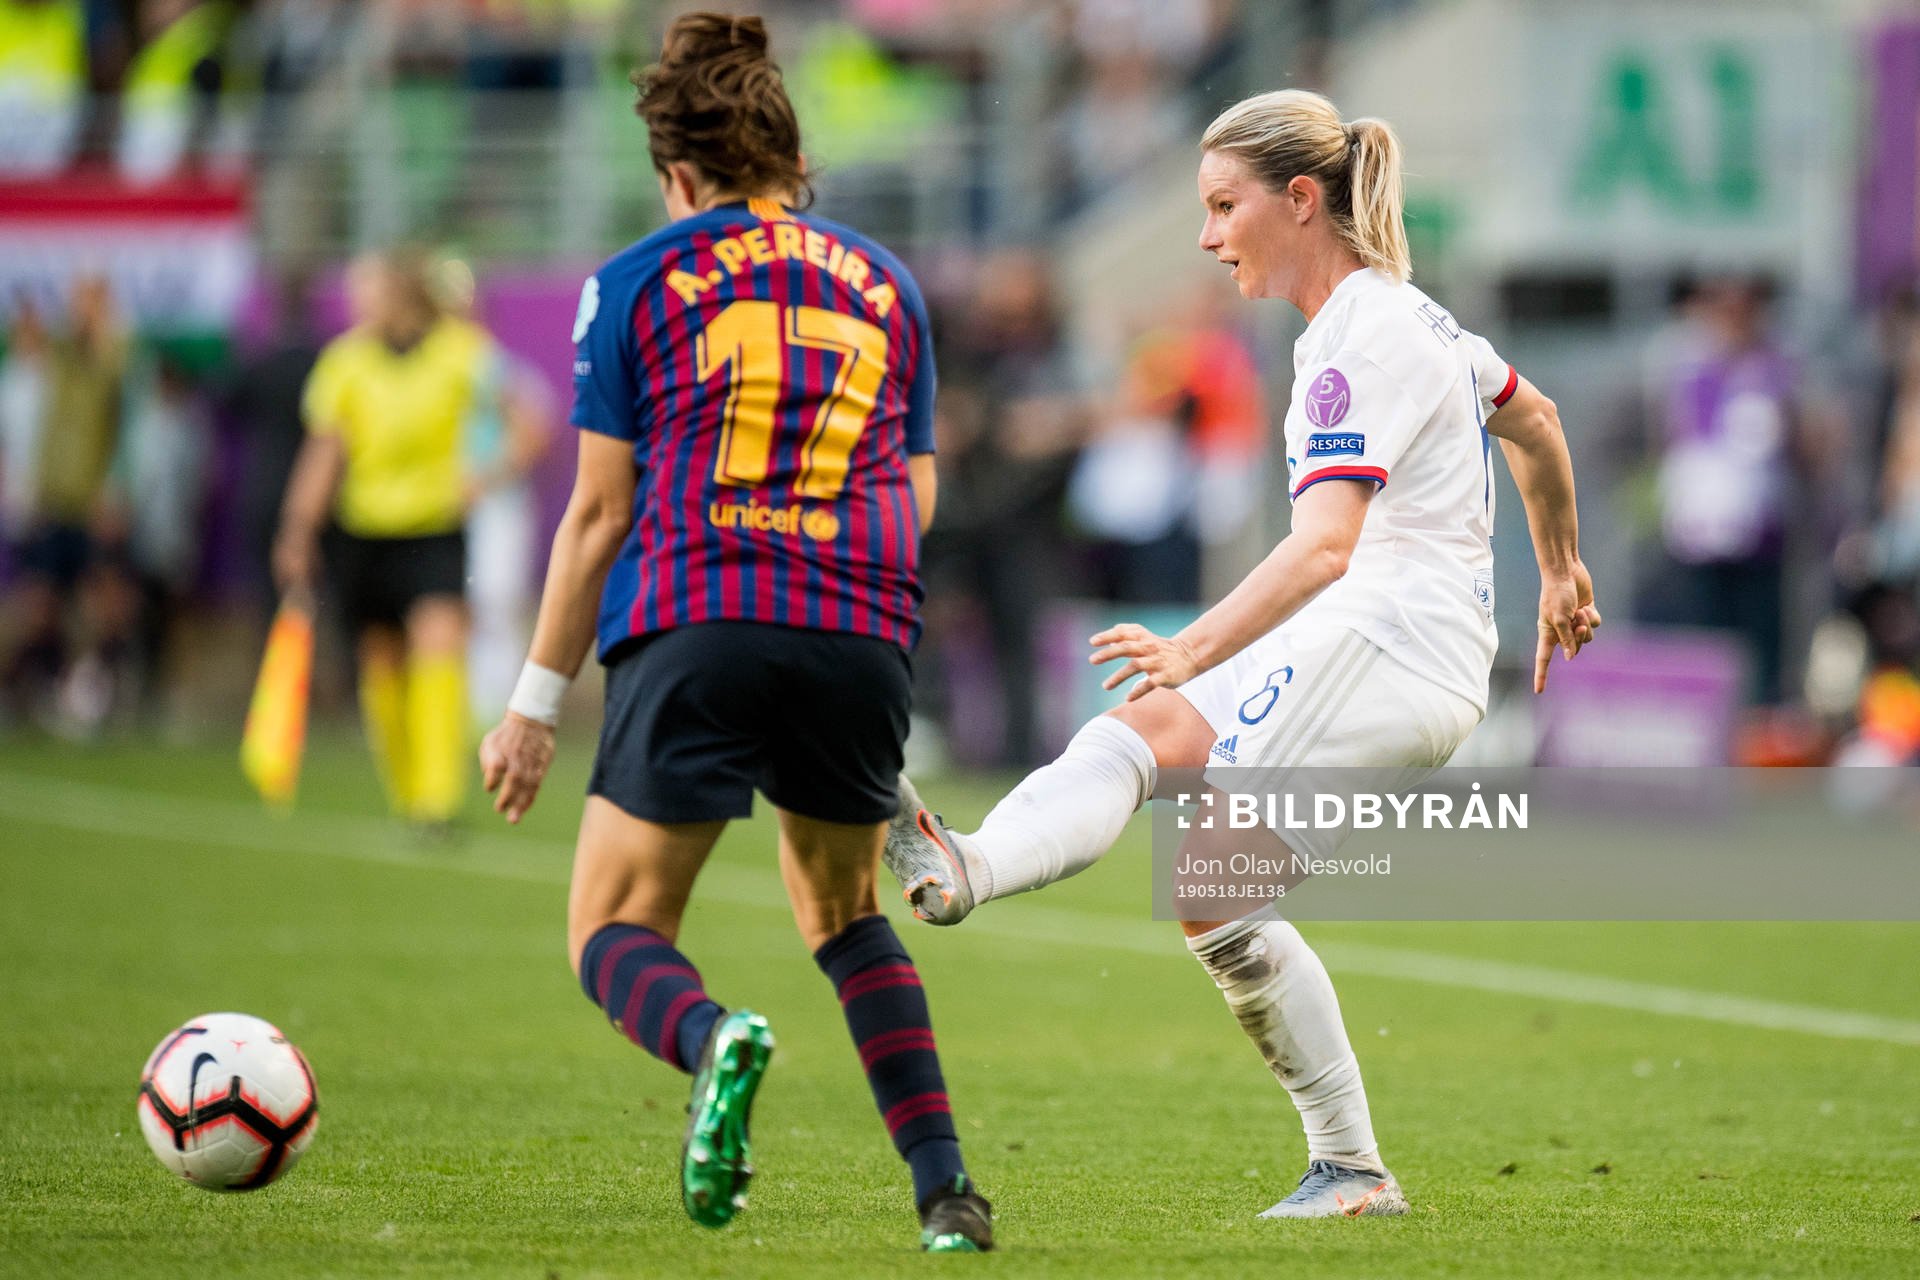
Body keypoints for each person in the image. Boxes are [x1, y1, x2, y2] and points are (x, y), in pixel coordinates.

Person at [884, 89, 1600, 1219]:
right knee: (1139, 734)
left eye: (1225, 206)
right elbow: (1539, 418)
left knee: (1213, 879)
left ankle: (1354, 1168)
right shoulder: (1412, 322)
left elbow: (1324, 550)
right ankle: (971, 866)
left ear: (1301, 200)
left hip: (1394, 640)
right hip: (1383, 631)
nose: (1210, 236)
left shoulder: (1356, 343)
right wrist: (1558, 566)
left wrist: (1194, 642)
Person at [474, 13, 993, 1252]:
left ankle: (714, 1041)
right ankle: (947, 1195)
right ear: (790, 160)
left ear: (678, 172)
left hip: (698, 612)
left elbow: (599, 510)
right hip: (859, 624)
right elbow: (915, 493)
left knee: (615, 928)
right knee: (846, 914)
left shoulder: (642, 277)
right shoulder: (888, 282)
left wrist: (533, 706)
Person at [273, 248, 517, 836]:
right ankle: (407, 791)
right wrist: (298, 528)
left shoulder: (464, 352)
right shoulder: (345, 363)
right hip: (363, 532)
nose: (357, 303)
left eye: (368, 290)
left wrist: (485, 474)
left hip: (433, 527)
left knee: (439, 640)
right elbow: (326, 451)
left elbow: (526, 421)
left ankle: (438, 798)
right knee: (381, 658)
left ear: (402, 293)